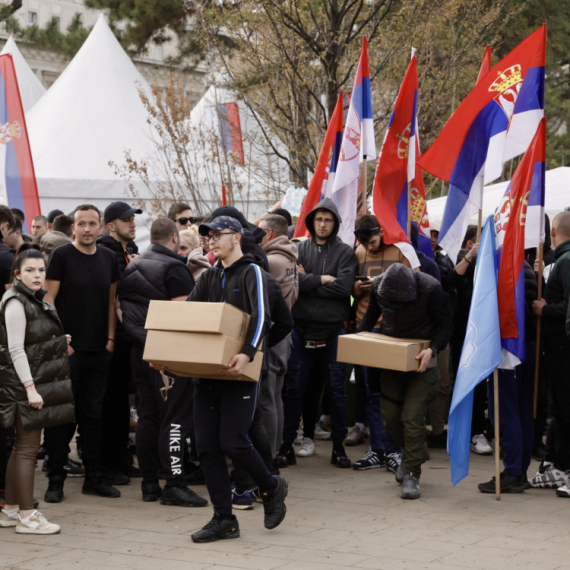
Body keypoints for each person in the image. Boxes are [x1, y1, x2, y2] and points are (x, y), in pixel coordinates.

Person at [183, 216, 287, 543]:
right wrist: (169, 354)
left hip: (240, 373)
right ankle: (223, 519)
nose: (211, 241)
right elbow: (188, 317)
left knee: (233, 441)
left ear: (237, 237)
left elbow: (263, 318)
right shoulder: (208, 277)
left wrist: (248, 353)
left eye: (217, 235)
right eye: (207, 237)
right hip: (207, 373)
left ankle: (271, 487)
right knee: (208, 448)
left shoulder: (252, 271)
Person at [119, 218, 207, 506]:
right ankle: (174, 483)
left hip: (139, 353)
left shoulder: (132, 265)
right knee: (176, 419)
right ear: (173, 237)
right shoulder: (174, 268)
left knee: (148, 417)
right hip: (168, 355)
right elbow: (182, 317)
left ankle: (148, 483)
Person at [42, 205, 121, 502]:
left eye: (92, 223)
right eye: (81, 224)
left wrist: (111, 339)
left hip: (100, 350)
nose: (87, 229)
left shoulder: (108, 257)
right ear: (73, 228)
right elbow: (47, 302)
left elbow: (112, 299)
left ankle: (95, 478)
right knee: (62, 418)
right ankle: (56, 480)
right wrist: (60, 340)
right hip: (68, 353)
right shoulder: (62, 256)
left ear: (100, 226)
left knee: (94, 416)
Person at [359, 263, 453, 499]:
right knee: (390, 415)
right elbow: (371, 314)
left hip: (423, 359)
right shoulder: (378, 286)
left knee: (412, 416)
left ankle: (412, 472)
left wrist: (432, 349)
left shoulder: (432, 289)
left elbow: (447, 325)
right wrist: (358, 340)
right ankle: (415, 451)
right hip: (393, 358)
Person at [0, 246, 74, 534]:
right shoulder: (16, 301)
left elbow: (31, 340)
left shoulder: (29, 298)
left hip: (22, 383)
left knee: (21, 448)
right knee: (27, 449)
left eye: (41, 269)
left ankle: (10, 509)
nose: (37, 275)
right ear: (17, 273)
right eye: (30, 270)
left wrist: (58, 340)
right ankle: (28, 516)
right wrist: (30, 389)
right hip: (22, 386)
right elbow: (16, 349)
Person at [278, 198, 357, 468]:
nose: (322, 224)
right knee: (294, 390)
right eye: (318, 219)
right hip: (300, 330)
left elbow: (344, 289)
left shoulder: (345, 253)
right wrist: (322, 279)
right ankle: (287, 445)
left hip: (333, 331)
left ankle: (338, 447)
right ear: (312, 222)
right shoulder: (299, 250)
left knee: (337, 390)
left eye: (328, 219)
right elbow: (292, 281)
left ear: (335, 223)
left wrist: (307, 280)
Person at [350, 214, 405, 472]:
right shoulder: (357, 251)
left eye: (372, 241)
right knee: (372, 394)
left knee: (392, 393)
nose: (370, 247)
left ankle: (395, 450)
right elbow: (347, 287)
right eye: (364, 243)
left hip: (394, 331)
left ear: (381, 231)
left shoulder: (399, 250)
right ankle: (377, 450)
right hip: (367, 328)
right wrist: (358, 289)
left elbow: (413, 285)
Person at [97, 201, 142, 483]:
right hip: (109, 337)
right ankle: (107, 463)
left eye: (134, 218)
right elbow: (114, 289)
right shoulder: (106, 250)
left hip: (126, 337)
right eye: (126, 220)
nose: (133, 223)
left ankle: (121, 457)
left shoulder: (130, 249)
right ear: (111, 225)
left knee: (122, 403)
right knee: (110, 403)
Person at [530, 211, 570, 495]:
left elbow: (568, 306)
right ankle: (556, 464)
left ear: (552, 233)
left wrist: (545, 309)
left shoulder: (566, 261)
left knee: (566, 410)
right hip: (558, 346)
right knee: (560, 409)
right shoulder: (562, 260)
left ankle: (564, 468)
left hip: (562, 346)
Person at [258, 214, 299, 459]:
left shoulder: (270, 260)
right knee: (276, 397)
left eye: (259, 230)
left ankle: (268, 454)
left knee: (267, 399)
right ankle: (274, 449)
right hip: (285, 337)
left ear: (269, 234)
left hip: (273, 336)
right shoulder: (289, 258)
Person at [450, 226, 492, 455]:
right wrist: (470, 257)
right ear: (470, 244)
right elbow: (453, 279)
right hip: (461, 334)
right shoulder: (460, 259)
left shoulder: (490, 262)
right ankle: (459, 432)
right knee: (460, 383)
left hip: (484, 334)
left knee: (481, 386)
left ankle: (478, 432)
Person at [426, 222, 457, 449]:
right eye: (430, 234)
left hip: (441, 330)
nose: (433, 238)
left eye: (436, 234)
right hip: (416, 331)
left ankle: (437, 431)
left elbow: (451, 288)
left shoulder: (445, 260)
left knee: (442, 383)